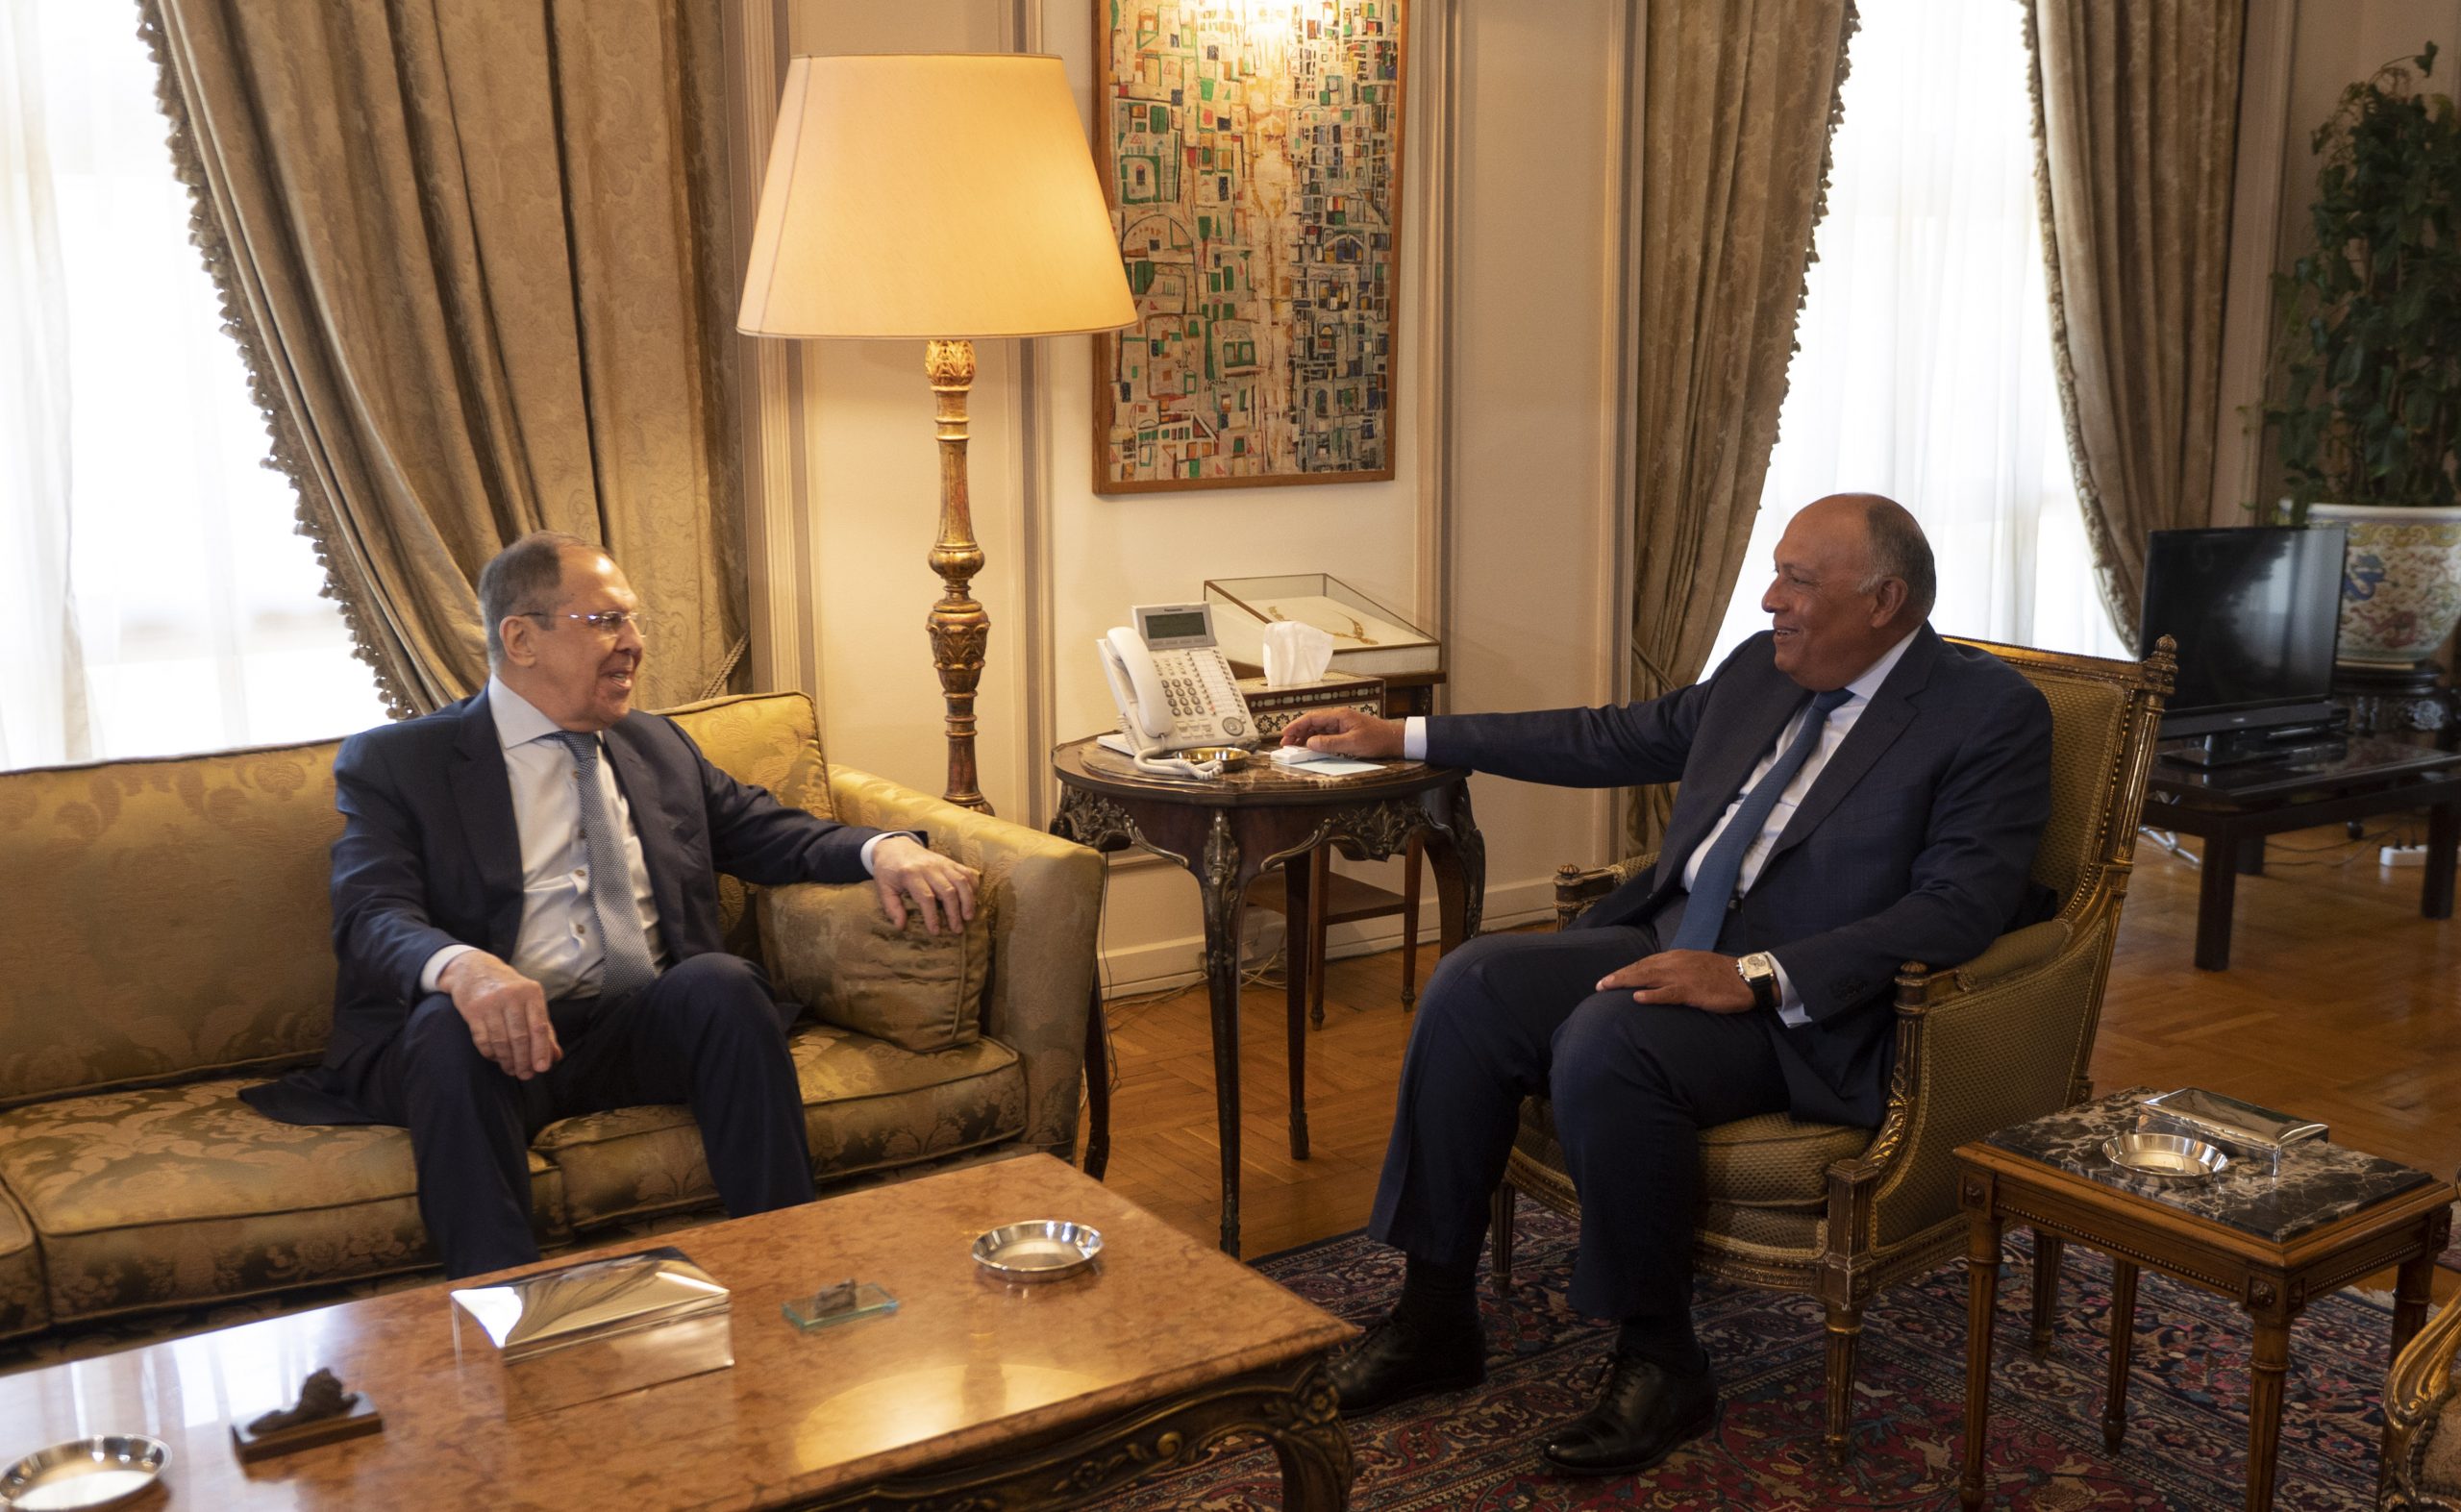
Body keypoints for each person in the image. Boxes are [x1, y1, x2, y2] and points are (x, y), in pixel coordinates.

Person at [1275, 494, 2055, 1475]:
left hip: (1803, 1006)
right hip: (1668, 934)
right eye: (1775, 573)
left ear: (1884, 601)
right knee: (1473, 983)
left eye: (1798, 581)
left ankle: (1661, 1357)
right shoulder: (1762, 668)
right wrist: (1405, 736)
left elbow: (1957, 907)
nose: (1769, 599)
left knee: (1609, 1037)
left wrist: (1755, 975)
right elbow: (1607, 736)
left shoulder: (1987, 714)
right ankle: (1433, 1317)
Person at [243, 532, 980, 1278]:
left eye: (633, 620)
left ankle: (791, 1269)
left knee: (723, 984)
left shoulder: (656, 744)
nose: (633, 642)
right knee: (449, 1024)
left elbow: (767, 832)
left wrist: (883, 849)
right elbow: (371, 914)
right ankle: (511, 1306)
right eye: (605, 621)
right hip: (494, 1046)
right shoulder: (403, 763)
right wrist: (465, 968)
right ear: (521, 639)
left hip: (632, 1031)